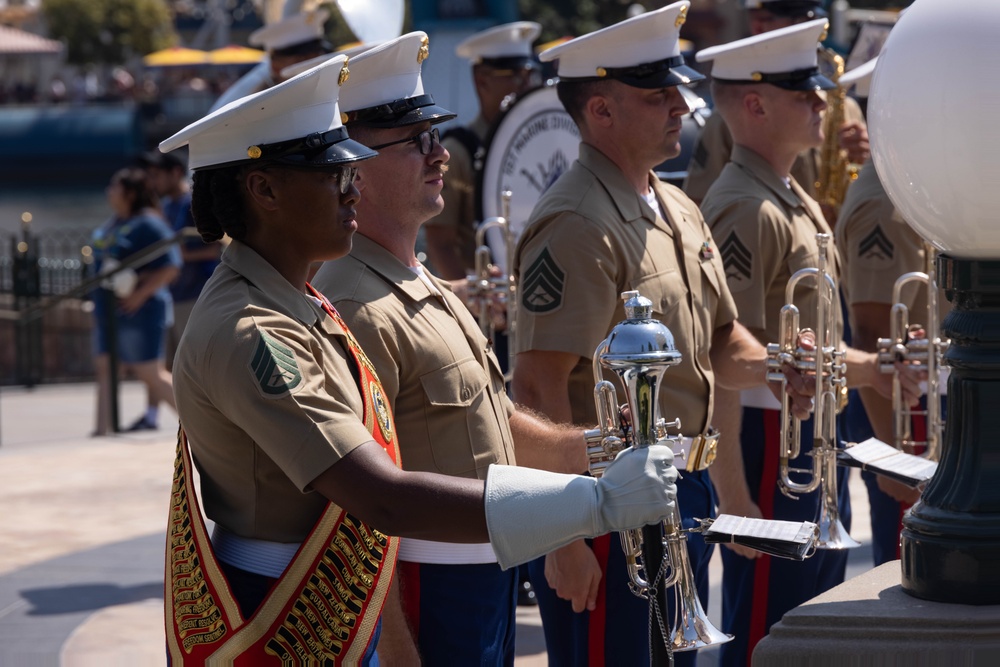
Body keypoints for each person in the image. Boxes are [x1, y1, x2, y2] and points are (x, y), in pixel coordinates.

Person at [158, 53, 681, 664]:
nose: (351, 186)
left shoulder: (298, 300)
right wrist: (592, 504)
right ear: (265, 189)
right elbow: (380, 498)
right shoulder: (255, 330)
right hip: (288, 609)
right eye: (331, 172)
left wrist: (603, 451)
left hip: (333, 591)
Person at [511, 4, 813, 665]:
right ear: (600, 112)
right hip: (603, 504)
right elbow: (537, 383)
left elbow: (722, 344)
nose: (680, 104)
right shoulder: (576, 221)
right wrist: (560, 537)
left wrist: (784, 365)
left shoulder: (675, 206)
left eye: (675, 89)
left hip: (681, 490)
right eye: (657, 95)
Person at [309, 31, 592, 664]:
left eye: (437, 136)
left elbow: (497, 426)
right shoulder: (353, 301)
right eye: (416, 141)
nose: (439, 155)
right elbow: (352, 508)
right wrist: (395, 645)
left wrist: (606, 447)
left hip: (480, 574)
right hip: (425, 588)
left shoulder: (415, 277)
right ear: (353, 161)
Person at [695, 21, 923, 665]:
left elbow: (805, 345)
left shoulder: (789, 196)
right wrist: (734, 496)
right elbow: (726, 352)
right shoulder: (746, 205)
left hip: (804, 437)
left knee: (803, 626)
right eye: (805, 93)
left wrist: (873, 367)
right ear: (756, 105)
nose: (825, 103)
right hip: (768, 444)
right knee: (772, 628)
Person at [834, 56, 948, 566]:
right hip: (907, 410)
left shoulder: (913, 183)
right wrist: (895, 453)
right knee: (910, 575)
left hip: (927, 399)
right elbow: (873, 329)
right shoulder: (885, 198)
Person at [682, 0, 869, 209]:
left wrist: (863, 162)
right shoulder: (732, 115)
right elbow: (699, 205)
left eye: (809, 20)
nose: (758, 28)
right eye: (757, 19)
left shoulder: (846, 107)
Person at [423, 21, 542, 281]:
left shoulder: (541, 143)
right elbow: (440, 243)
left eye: (528, 74)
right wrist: (470, 305)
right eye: (514, 75)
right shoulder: (457, 152)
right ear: (482, 81)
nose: (525, 84)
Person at [122, 150, 222, 432]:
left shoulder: (193, 204)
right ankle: (152, 415)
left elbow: (216, 247)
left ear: (175, 173)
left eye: (156, 175)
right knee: (164, 363)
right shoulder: (166, 206)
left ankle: (208, 420)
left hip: (193, 293)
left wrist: (175, 256)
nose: (151, 180)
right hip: (172, 294)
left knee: (194, 363)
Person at [90, 167, 181, 436]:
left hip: (140, 312)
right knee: (106, 368)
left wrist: (140, 294)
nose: (109, 191)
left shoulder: (149, 223)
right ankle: (100, 430)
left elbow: (171, 265)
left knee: (149, 372)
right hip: (109, 311)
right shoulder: (115, 222)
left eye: (114, 187)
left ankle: (204, 425)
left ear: (129, 193)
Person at [209, 6, 333, 112]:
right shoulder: (249, 99)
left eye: (317, 57)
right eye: (302, 60)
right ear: (276, 66)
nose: (313, 66)